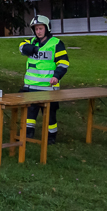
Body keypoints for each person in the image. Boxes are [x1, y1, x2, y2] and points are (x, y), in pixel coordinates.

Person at [19, 15, 70, 143]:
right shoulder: (31, 42)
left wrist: (56, 76)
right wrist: (31, 48)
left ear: (47, 28)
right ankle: (28, 134)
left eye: (41, 28)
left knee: (50, 114)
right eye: (36, 29)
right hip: (31, 86)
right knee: (30, 112)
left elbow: (64, 63)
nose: (38, 31)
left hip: (49, 87)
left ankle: (51, 137)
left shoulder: (56, 43)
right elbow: (21, 47)